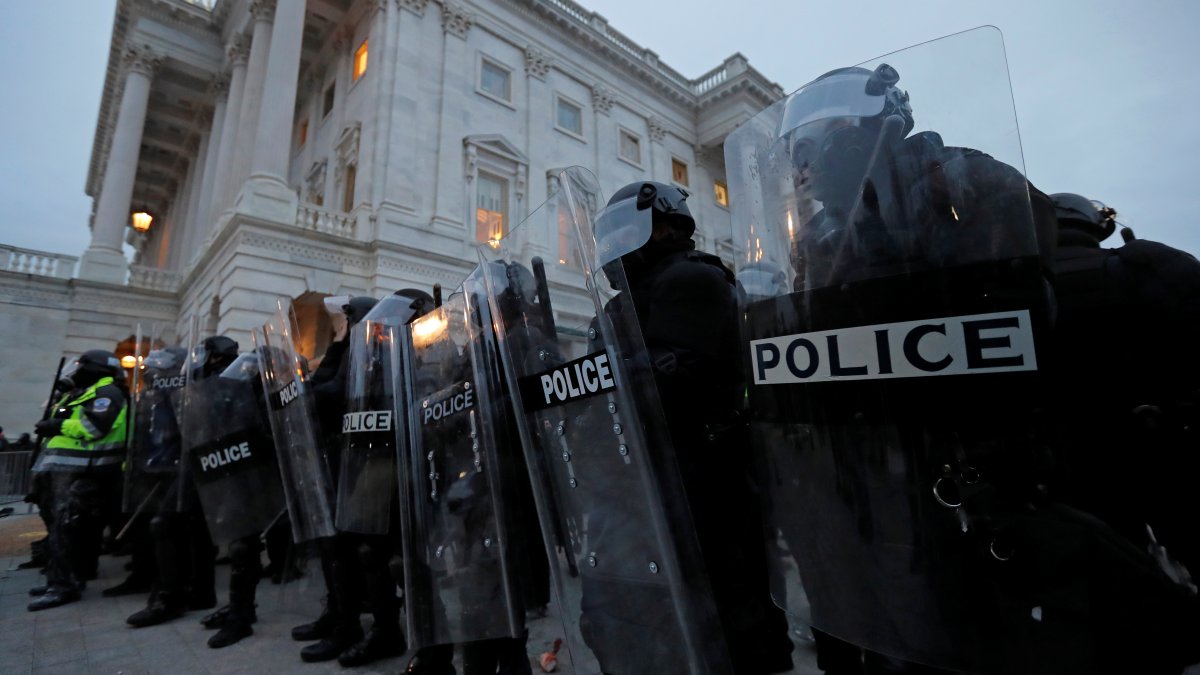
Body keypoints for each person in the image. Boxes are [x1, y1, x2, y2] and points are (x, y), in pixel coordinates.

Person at [590, 181, 795, 673]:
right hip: (650, 476)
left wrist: (613, 374)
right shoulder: (631, 297)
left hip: (703, 475)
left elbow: (686, 374)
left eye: (624, 233)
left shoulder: (691, 279)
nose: (613, 248)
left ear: (663, 225)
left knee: (723, 612)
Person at [126, 335, 237, 628]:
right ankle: (200, 592)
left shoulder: (226, 382)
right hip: (190, 462)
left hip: (208, 462)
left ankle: (169, 597)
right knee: (197, 530)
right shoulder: (190, 383)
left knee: (165, 524)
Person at [27, 350, 128, 611]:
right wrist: (61, 400)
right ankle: (64, 579)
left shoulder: (107, 394)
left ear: (95, 369)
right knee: (64, 530)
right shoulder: (88, 392)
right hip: (68, 471)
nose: (77, 371)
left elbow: (94, 428)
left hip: (87, 471)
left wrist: (58, 427)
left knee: (66, 528)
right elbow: (60, 415)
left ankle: (62, 586)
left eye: (82, 366)